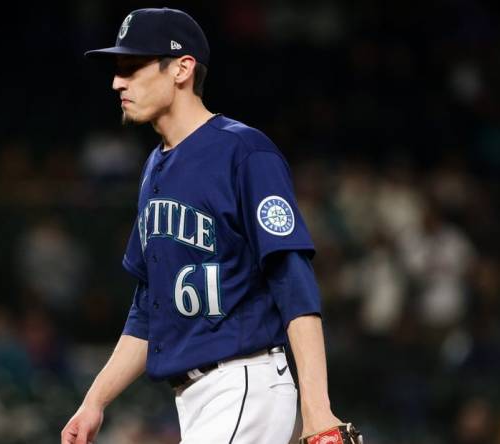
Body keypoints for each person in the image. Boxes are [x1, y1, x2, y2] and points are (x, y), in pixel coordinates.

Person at [62, 8, 348, 444]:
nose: (117, 82)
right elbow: (149, 308)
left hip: (245, 383)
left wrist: (317, 407)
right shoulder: (154, 167)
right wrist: (94, 401)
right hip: (198, 400)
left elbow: (291, 279)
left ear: (182, 68)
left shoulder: (244, 152)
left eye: (132, 67)